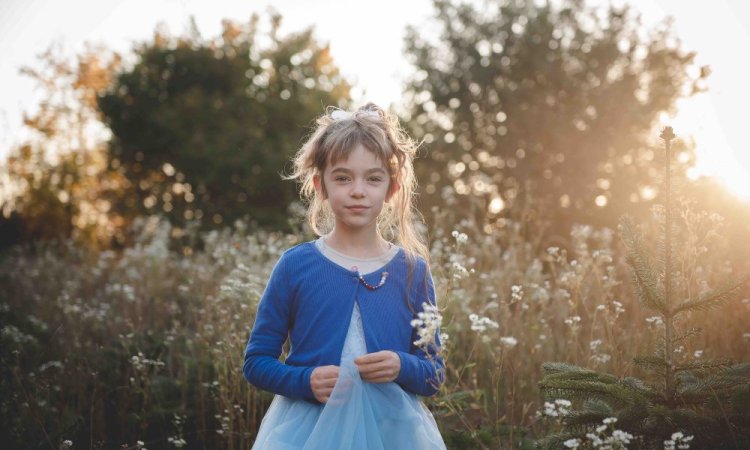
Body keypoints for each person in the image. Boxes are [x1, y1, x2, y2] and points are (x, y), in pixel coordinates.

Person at [243, 102, 446, 449]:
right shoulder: (296, 265)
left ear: (391, 188)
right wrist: (304, 381)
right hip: (307, 431)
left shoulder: (412, 270)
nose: (357, 190)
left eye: (373, 178)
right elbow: (257, 361)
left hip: (394, 432)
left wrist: (401, 365)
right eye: (343, 178)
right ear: (320, 184)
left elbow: (434, 373)